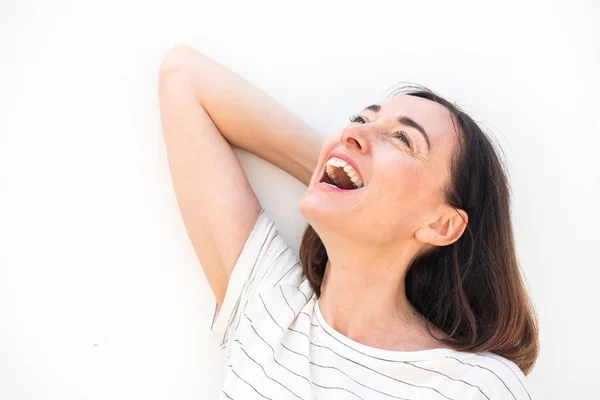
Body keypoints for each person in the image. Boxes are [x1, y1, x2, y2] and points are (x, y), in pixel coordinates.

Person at [158, 44, 539, 400]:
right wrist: (339, 174)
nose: (350, 132)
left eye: (403, 139)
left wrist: (359, 181)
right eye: (359, 120)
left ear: (440, 225)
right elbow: (183, 76)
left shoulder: (478, 385)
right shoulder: (270, 310)